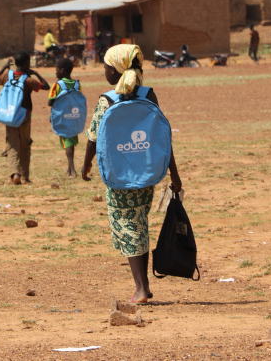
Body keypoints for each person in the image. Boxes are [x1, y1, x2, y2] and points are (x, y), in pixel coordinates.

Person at [82, 44, 183, 304]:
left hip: (118, 177)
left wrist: (86, 164)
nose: (104, 70)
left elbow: (93, 138)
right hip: (146, 174)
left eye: (106, 66)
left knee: (129, 228)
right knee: (139, 225)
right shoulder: (149, 96)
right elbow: (163, 139)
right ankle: (144, 286)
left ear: (115, 71)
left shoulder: (107, 100)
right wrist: (174, 173)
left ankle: (141, 288)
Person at [0, 51, 49, 184]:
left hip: (9, 115)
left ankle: (14, 174)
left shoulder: (8, 75)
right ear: (27, 63)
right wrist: (35, 73)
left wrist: (5, 67)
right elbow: (46, 86)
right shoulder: (28, 80)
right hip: (24, 116)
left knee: (12, 145)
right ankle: (25, 177)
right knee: (25, 145)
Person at [47, 58, 82, 178]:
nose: (55, 72)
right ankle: (69, 169)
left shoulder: (57, 85)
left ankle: (73, 170)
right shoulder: (77, 84)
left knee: (67, 142)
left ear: (62, 71)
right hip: (74, 116)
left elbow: (50, 102)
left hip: (63, 117)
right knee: (71, 142)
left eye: (56, 70)